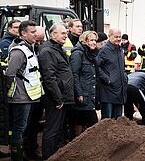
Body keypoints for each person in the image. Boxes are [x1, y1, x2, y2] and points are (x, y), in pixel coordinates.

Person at [5, 20, 43, 160]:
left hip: (30, 95)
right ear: (23, 33)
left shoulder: (29, 48)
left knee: (24, 127)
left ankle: (22, 154)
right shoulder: (18, 51)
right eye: (32, 32)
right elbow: (10, 74)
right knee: (19, 128)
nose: (35, 34)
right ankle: (17, 157)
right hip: (21, 97)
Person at [38, 23, 74, 159]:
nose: (66, 35)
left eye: (66, 33)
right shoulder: (47, 51)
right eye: (63, 33)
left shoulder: (58, 49)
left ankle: (55, 155)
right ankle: (48, 157)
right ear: (53, 35)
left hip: (62, 96)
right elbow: (49, 77)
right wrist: (58, 99)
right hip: (55, 98)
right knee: (52, 130)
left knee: (58, 129)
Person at [69, 31, 99, 136]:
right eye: (91, 40)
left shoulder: (91, 54)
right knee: (94, 124)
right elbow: (74, 74)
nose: (94, 42)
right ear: (84, 41)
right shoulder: (78, 54)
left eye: (95, 40)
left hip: (89, 94)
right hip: (83, 96)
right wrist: (79, 93)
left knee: (80, 122)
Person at [22, 26, 45, 160]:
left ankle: (32, 148)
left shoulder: (39, 49)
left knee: (34, 125)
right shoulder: (22, 50)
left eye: (42, 41)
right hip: (26, 95)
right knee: (26, 125)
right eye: (38, 41)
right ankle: (25, 150)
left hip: (37, 94)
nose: (39, 44)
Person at [96, 28, 127, 119]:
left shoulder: (120, 50)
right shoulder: (104, 50)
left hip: (119, 91)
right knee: (107, 120)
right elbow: (97, 66)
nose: (118, 39)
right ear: (109, 37)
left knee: (118, 121)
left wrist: (124, 78)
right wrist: (107, 79)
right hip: (108, 91)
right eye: (116, 37)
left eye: (119, 37)